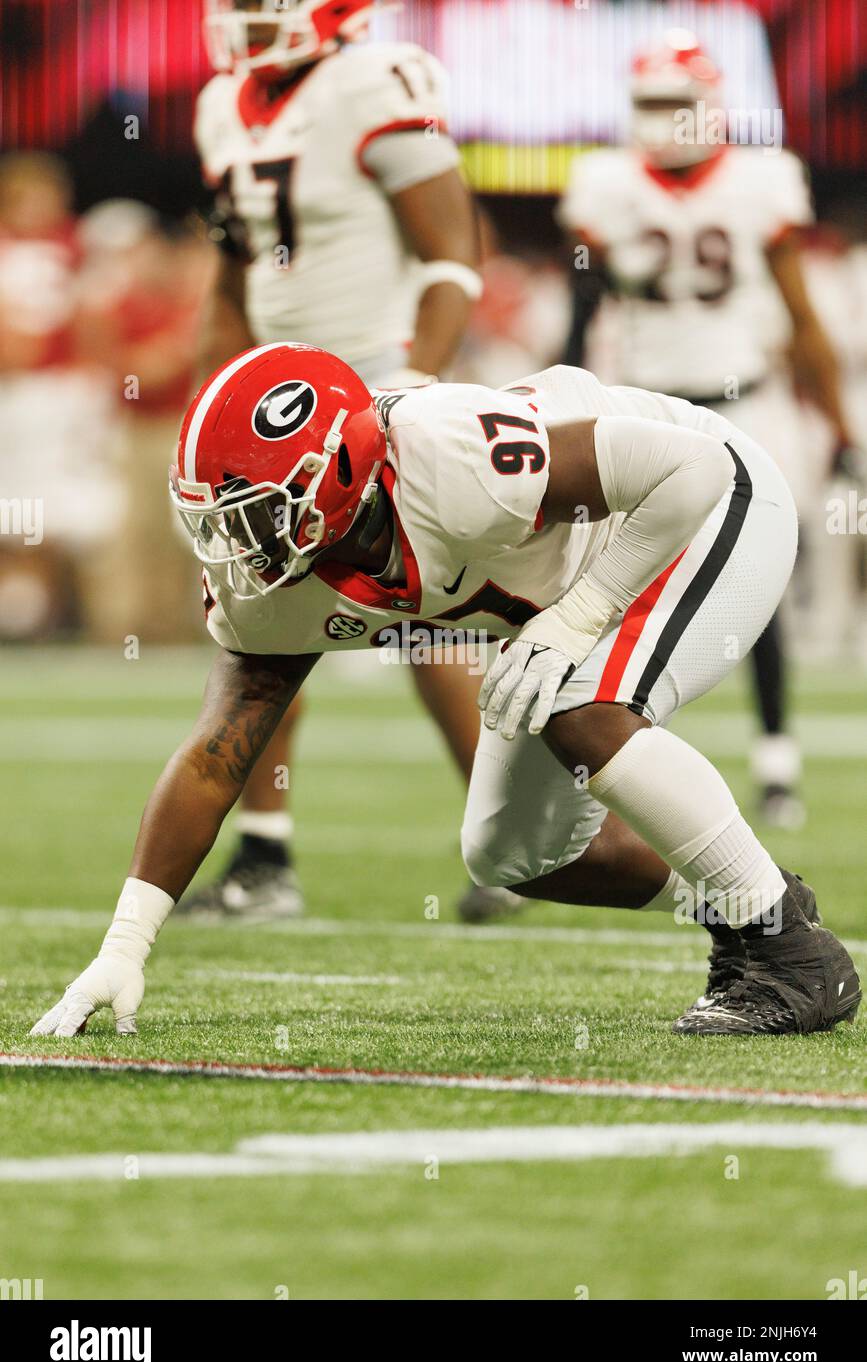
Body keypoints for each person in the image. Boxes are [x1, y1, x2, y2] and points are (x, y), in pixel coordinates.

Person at [31, 342, 861, 1040]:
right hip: (583, 579)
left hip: (706, 509)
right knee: (516, 855)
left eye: (258, 512)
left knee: (578, 704)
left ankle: (792, 956)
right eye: (224, 517)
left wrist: (580, 620)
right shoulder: (274, 579)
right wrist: (125, 945)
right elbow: (216, 756)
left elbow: (689, 471)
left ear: (340, 474)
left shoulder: (448, 457)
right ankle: (750, 902)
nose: (241, 543)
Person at [182, 0, 514, 923]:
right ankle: (264, 860)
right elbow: (233, 267)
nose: (245, 18)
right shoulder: (221, 104)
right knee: (254, 623)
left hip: (376, 385)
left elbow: (454, 254)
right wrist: (218, 390)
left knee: (430, 620)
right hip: (274, 415)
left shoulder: (374, 79)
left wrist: (411, 385)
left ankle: (504, 844)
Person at [558, 31, 860, 828]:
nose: (660, 122)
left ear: (710, 110)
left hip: (742, 407)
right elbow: (580, 314)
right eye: (649, 105)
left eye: (674, 106)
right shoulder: (606, 183)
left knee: (753, 582)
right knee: (602, 582)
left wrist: (838, 426)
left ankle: (775, 764)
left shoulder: (760, 182)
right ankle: (612, 751)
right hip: (643, 408)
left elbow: (799, 317)